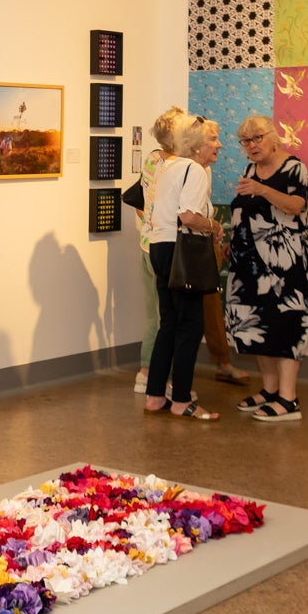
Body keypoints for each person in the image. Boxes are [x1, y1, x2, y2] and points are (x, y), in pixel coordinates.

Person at [224, 115, 308, 422]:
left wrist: (262, 190)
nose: (251, 146)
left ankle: (289, 400)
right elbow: (243, 208)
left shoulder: (294, 168)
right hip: (251, 264)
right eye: (246, 142)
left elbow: (295, 206)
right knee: (258, 325)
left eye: (257, 138)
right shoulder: (251, 169)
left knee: (286, 324)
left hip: (285, 265)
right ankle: (270, 391)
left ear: (273, 136)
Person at [143, 114, 224, 421]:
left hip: (159, 248)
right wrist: (215, 226)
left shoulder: (168, 167)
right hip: (182, 251)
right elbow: (189, 217)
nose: (218, 144)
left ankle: (154, 396)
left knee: (169, 324)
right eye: (212, 139)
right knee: (190, 326)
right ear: (195, 145)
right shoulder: (194, 170)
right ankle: (180, 400)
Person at [131, 106, 185, 394]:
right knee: (172, 316)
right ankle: (166, 379)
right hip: (168, 247)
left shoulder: (152, 159)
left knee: (154, 314)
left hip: (146, 243)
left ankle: (145, 372)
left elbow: (142, 204)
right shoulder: (180, 166)